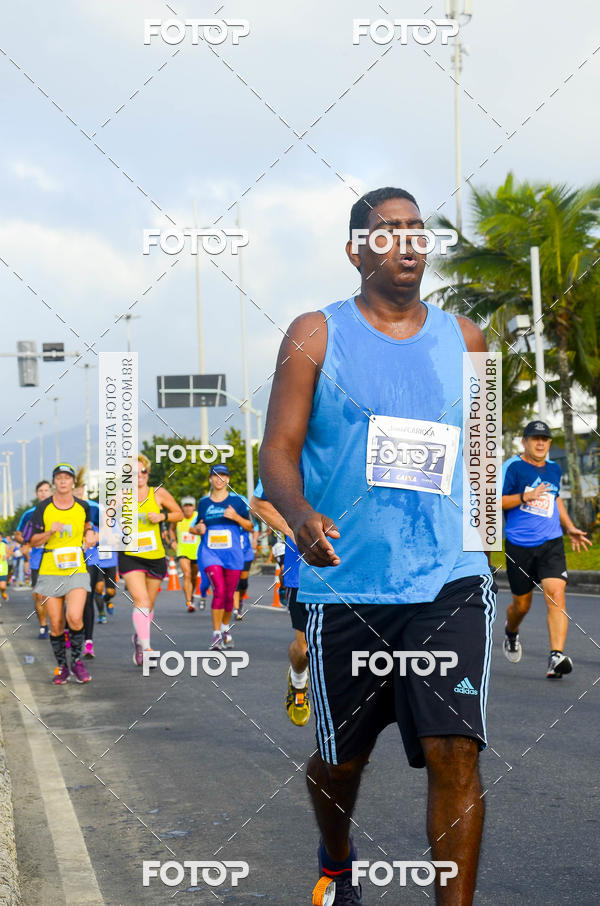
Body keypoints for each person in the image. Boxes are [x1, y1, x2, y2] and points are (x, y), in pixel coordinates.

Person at [259, 187, 496, 906]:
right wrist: (299, 515)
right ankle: (337, 859)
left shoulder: (467, 338)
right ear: (356, 249)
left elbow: (481, 457)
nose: (406, 241)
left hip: (450, 578)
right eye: (387, 230)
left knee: (455, 751)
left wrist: (484, 551)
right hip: (348, 583)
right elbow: (277, 450)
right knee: (342, 764)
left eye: (417, 229)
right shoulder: (315, 335)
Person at [501, 420, 591, 678]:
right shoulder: (512, 467)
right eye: (534, 438)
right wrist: (522, 497)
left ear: (549, 443)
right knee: (522, 605)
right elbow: (492, 501)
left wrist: (570, 526)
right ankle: (511, 631)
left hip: (551, 543)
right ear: (525, 441)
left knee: (556, 594)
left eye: (545, 439)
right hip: (519, 546)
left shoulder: (553, 469)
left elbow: (555, 499)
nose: (540, 443)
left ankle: (555, 657)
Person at [250, 480, 310, 726]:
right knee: (306, 650)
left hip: (352, 570)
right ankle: (298, 680)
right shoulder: (288, 448)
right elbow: (258, 504)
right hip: (303, 573)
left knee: (348, 654)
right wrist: (299, 531)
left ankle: (348, 740)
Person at [29, 463, 95, 684]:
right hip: (50, 569)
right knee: (56, 624)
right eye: (59, 478)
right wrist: (50, 531)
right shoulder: (43, 508)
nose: (64, 481)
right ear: (54, 482)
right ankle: (61, 666)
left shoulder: (83, 506)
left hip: (76, 568)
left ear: (73, 482)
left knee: (74, 617)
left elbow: (88, 526)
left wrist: (90, 534)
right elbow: (33, 541)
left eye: (67, 477)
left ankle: (77, 662)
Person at [119, 454, 182, 666]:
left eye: (142, 471)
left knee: (149, 605)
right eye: (133, 473)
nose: (139, 476)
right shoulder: (120, 496)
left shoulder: (159, 493)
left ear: (148, 473)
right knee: (141, 601)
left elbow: (179, 514)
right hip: (130, 555)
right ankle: (147, 648)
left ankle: (139, 638)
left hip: (154, 555)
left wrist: (162, 517)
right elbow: (107, 522)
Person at [190, 464, 252, 650]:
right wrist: (197, 529)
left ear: (228, 479)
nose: (219, 479)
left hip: (233, 555)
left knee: (228, 594)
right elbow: (194, 527)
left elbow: (250, 526)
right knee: (219, 589)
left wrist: (236, 517)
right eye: (215, 475)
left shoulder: (238, 502)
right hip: (210, 553)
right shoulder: (204, 503)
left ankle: (225, 628)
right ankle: (216, 634)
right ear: (210, 479)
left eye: (223, 475)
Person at [15, 479, 52, 638]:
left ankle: (60, 625)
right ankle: (43, 626)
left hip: (58, 558)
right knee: (39, 595)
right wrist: (26, 542)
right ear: (37, 494)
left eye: (46, 490)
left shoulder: (59, 510)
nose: (44, 493)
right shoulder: (29, 513)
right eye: (41, 491)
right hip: (37, 559)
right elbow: (18, 534)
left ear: (51, 492)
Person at [172, 496, 200, 612]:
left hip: (197, 552)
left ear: (194, 507)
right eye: (185, 506)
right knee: (187, 574)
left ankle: (191, 595)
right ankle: (189, 602)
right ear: (182, 507)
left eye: (190, 505)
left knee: (193, 577)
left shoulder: (198, 517)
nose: (188, 508)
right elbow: (171, 529)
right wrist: (173, 541)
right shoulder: (178, 517)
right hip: (182, 551)